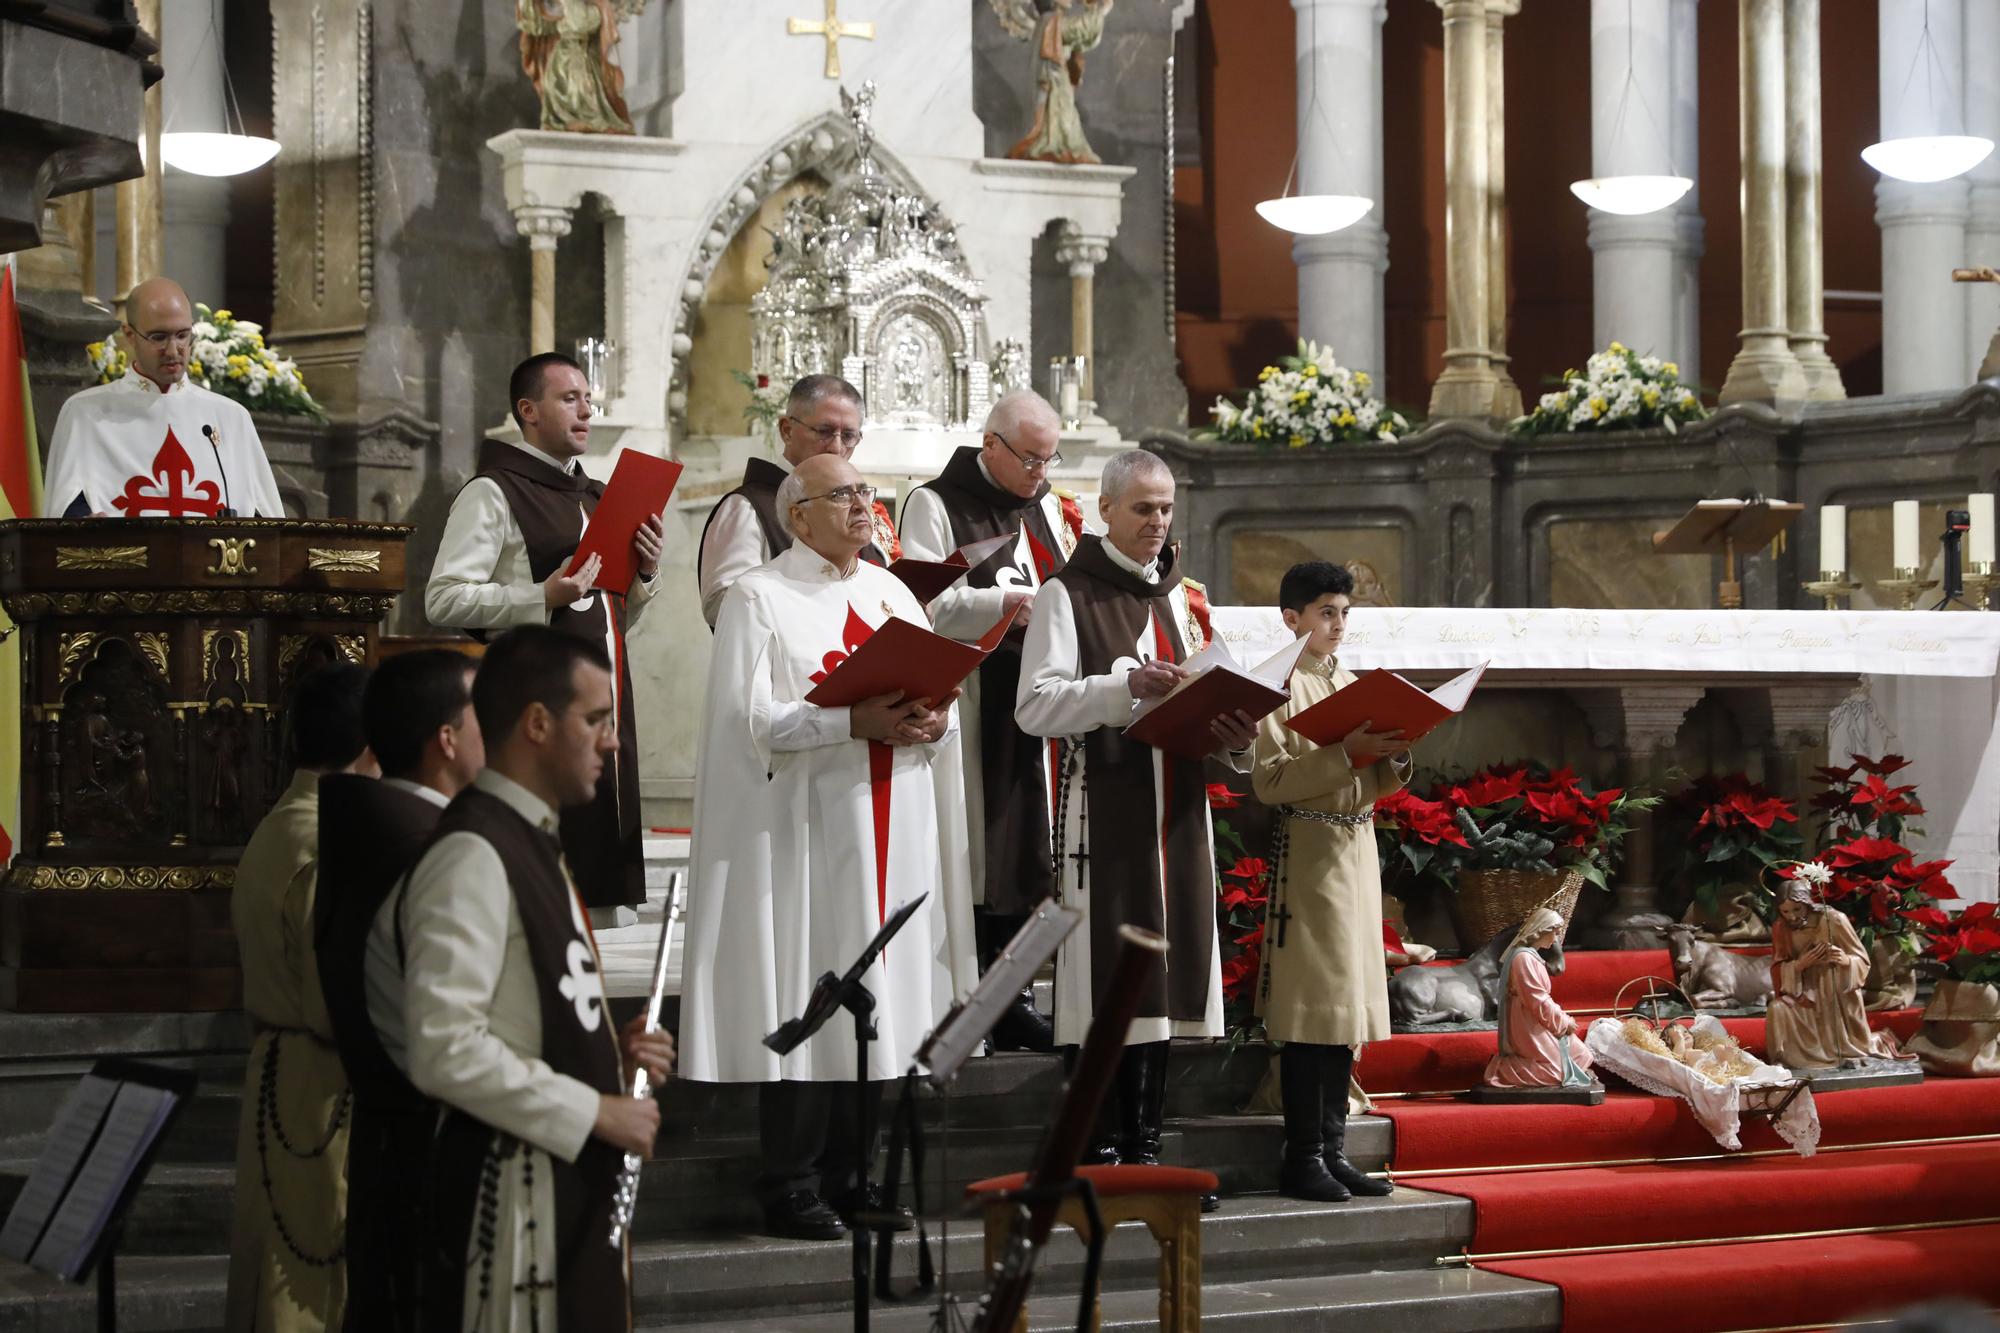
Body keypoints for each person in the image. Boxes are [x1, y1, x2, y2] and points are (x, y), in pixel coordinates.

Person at [682, 453, 974, 1241]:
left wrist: (934, 722)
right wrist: (851, 723)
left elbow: (933, 693)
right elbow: (749, 723)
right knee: (813, 990)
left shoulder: (890, 591)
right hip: (809, 830)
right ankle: (791, 1182)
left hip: (892, 817)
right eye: (841, 494)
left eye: (865, 492)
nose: (861, 505)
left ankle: (857, 1176)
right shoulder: (759, 596)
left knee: (881, 999)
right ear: (797, 514)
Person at [371, 627, 673, 1332]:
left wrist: (608, 1056)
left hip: (561, 1187)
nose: (613, 742)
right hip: (516, 1202)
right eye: (596, 720)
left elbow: (524, 1015)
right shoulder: (474, 851)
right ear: (538, 723)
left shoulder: (528, 836)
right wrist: (594, 1110)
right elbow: (443, 1046)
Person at [1015, 449, 1255, 1196]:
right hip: (1107, 806)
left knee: (1169, 970)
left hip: (1176, 805)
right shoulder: (1069, 594)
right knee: (1114, 972)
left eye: (1166, 508)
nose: (1157, 523)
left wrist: (1238, 729)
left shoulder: (1181, 597)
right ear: (1105, 510)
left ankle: (1147, 1139)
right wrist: (1124, 686)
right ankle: (1107, 1142)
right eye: (1143, 508)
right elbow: (1035, 705)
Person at [425, 352, 664, 916]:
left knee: (606, 845)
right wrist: (542, 596)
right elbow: (442, 597)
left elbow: (611, 616)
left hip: (604, 694)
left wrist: (645, 574)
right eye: (569, 399)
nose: (587, 410)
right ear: (527, 411)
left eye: (588, 398)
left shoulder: (598, 495)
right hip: (536, 699)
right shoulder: (494, 491)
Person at [899, 389, 1085, 1050]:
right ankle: (977, 996)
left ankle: (1018, 995)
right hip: (975, 702)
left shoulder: (1045, 509)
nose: (1043, 470)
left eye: (1050, 456)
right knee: (985, 855)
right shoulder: (934, 503)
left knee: (1029, 851)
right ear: (992, 446)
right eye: (1032, 457)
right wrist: (1010, 601)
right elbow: (921, 603)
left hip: (1038, 703)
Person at [319, 649, 483, 1333]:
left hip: (394, 1144)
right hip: (432, 1156)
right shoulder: (424, 854)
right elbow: (459, 1038)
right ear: (445, 740)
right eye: (483, 714)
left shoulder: (373, 827)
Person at [225, 664, 378, 1333]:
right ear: (371, 747)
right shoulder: (325, 840)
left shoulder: (276, 825)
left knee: (275, 1264)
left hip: (275, 1069)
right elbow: (332, 999)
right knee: (308, 1284)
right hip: (319, 1086)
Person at [1251, 561, 1407, 1203]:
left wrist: (1393, 755)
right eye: (1325, 613)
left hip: (1356, 848)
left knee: (1343, 1011)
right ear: (1291, 618)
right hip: (1311, 852)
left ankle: (1334, 1151)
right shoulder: (1274, 685)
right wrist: (1346, 752)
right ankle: (1303, 1155)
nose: (1338, 625)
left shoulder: (1346, 681)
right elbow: (1271, 782)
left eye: (1344, 613)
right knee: (1315, 1010)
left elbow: (1372, 780)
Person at [43, 277, 285, 518]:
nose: (172, 351)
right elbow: (67, 512)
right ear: (129, 335)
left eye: (182, 336)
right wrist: (84, 530)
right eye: (158, 337)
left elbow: (266, 527)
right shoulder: (85, 413)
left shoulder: (231, 417)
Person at [696, 373, 899, 628]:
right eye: (824, 431)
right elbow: (722, 604)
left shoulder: (862, 505)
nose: (836, 448)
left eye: (848, 436)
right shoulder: (749, 507)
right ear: (787, 430)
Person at [1766, 877, 1910, 1070]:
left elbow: (1861, 960)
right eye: (1785, 912)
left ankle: (1859, 1046)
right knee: (1776, 1009)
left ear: (1808, 904)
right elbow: (1777, 968)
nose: (1791, 916)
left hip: (1836, 987)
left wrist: (1845, 960)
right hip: (1802, 992)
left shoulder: (1833, 920)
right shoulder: (1780, 928)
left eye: (1796, 909)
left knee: (1837, 1011)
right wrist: (1800, 965)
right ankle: (1792, 1058)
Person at [1482, 909, 1595, 1090]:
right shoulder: (1523, 959)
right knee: (1559, 1071)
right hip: (1528, 1023)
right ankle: (1502, 1070)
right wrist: (1563, 1022)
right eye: (1555, 932)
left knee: (1580, 1055)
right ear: (1541, 930)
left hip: (1538, 1020)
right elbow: (1536, 1000)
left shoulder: (1531, 956)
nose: (1557, 937)